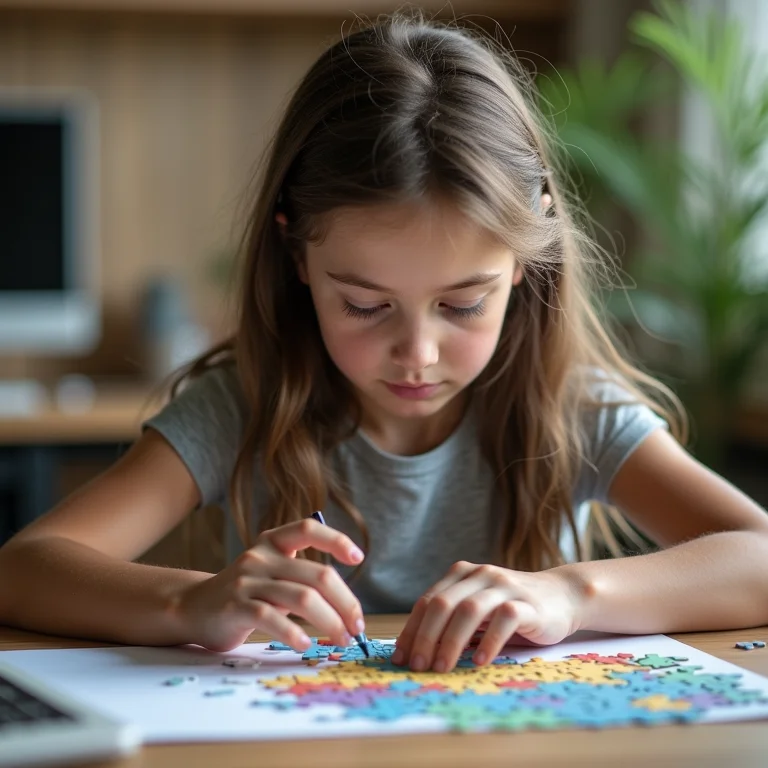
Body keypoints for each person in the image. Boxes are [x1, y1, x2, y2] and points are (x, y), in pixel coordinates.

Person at [1, 12, 767, 675]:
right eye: (365, 305)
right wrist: (190, 600)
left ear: (527, 267)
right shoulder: (242, 404)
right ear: (296, 255)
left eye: (464, 304)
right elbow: (25, 568)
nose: (418, 352)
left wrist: (567, 594)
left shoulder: (576, 408)